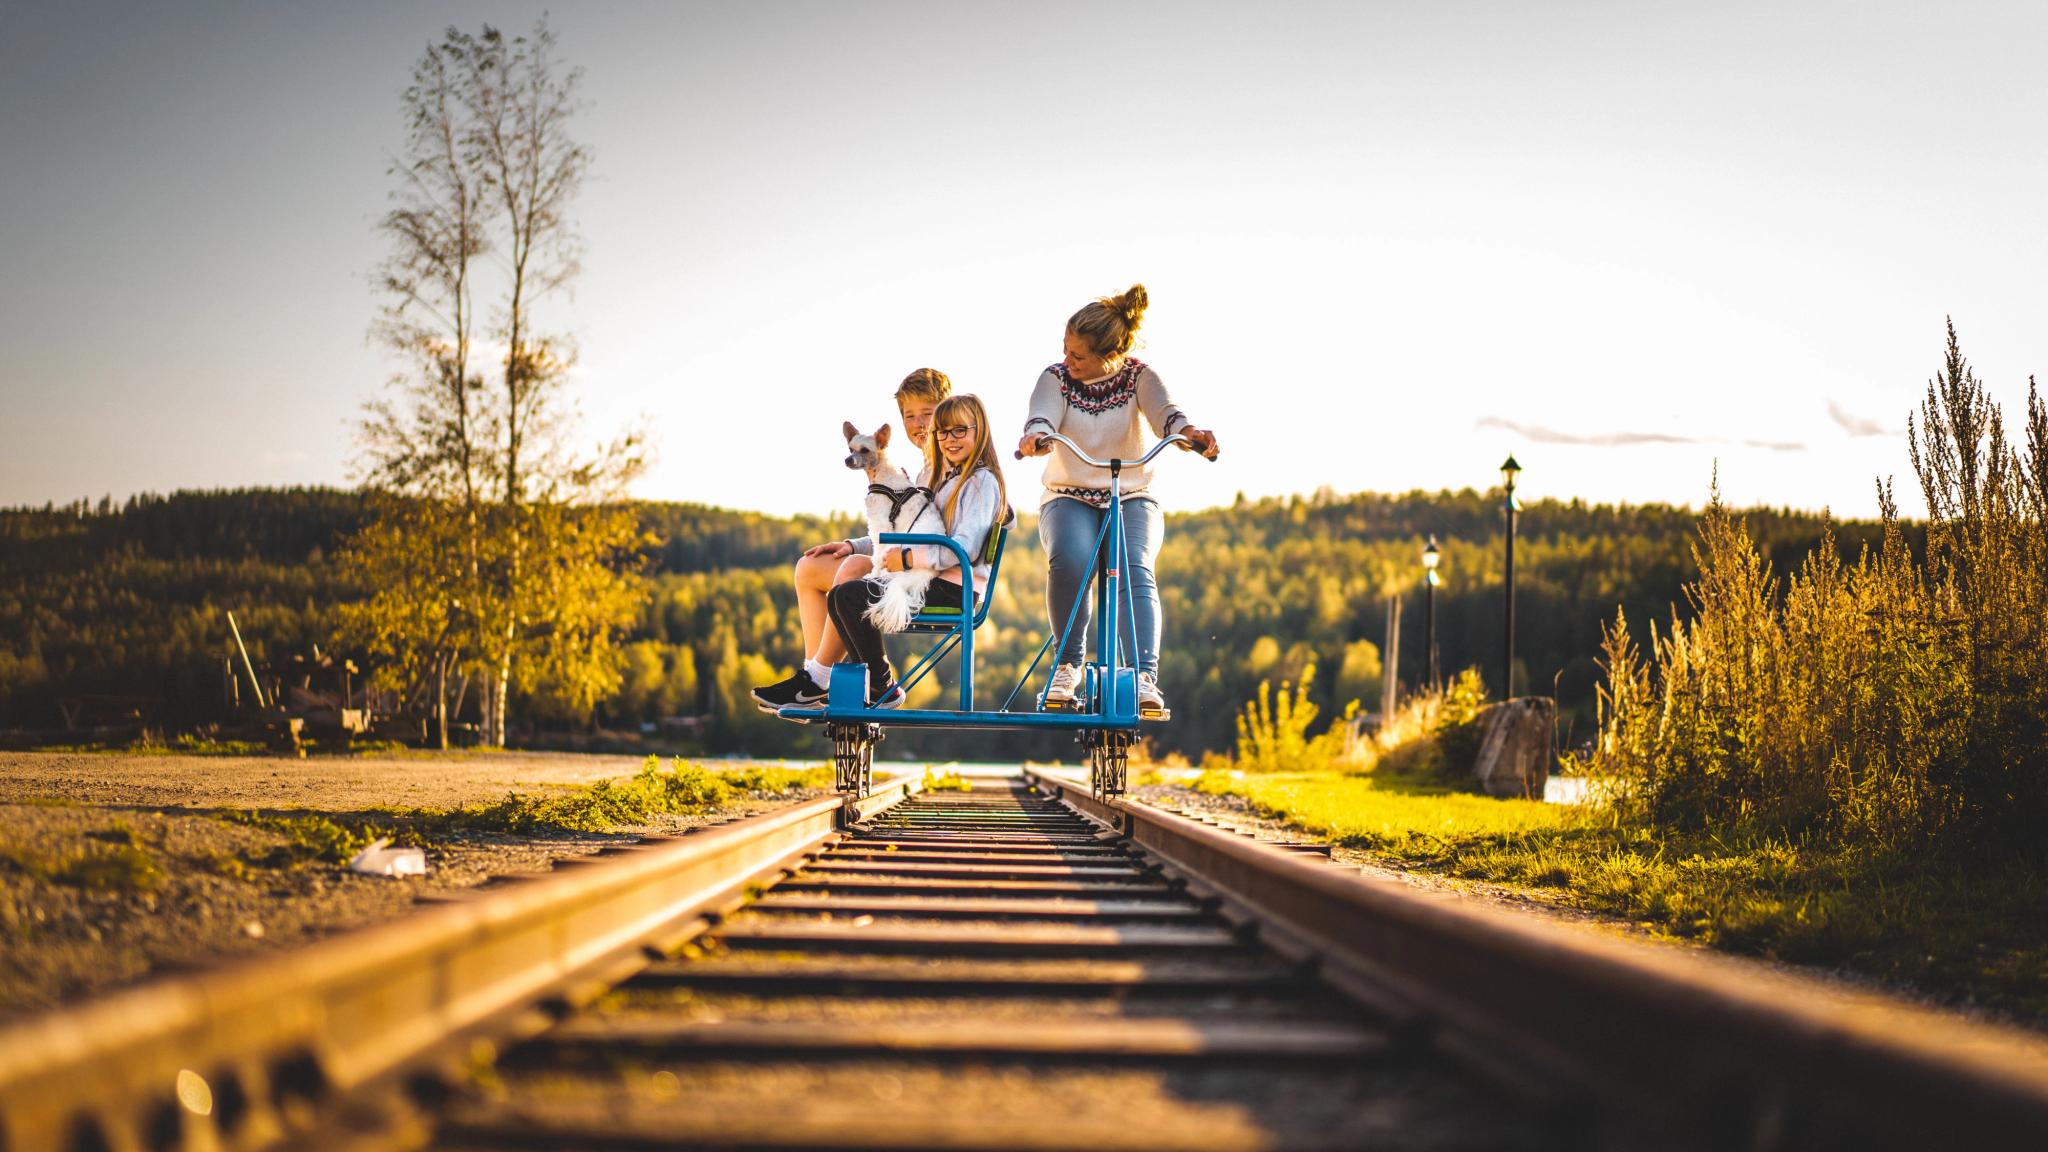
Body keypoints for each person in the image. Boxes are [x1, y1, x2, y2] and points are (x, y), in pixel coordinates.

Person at [1015, 284, 1217, 716]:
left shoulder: (1139, 377)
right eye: (1065, 351)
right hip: (1068, 496)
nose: (1068, 362)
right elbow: (1042, 413)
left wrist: (1190, 435)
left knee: (1134, 564)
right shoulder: (1056, 379)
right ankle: (1068, 666)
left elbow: (1168, 416)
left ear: (1111, 354)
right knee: (1070, 560)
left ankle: (1144, 676)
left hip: (1131, 493)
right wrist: (1036, 435)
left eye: (1079, 356)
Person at [751, 368, 949, 712]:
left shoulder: (950, 467)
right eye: (909, 416)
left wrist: (861, 553)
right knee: (810, 568)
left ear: (948, 411)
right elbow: (902, 532)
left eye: (927, 414)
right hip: (901, 561)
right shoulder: (921, 469)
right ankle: (816, 677)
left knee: (855, 568)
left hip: (929, 575)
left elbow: (933, 543)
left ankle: (818, 680)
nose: (918, 424)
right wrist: (853, 544)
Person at [826, 393, 1010, 708]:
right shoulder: (942, 478)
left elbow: (964, 548)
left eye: (960, 431)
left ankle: (881, 685)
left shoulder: (981, 483)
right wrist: (856, 546)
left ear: (979, 433)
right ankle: (870, 683)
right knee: (838, 596)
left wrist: (908, 558)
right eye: (943, 432)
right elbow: (910, 529)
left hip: (954, 586)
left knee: (849, 596)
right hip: (930, 575)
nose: (949, 439)